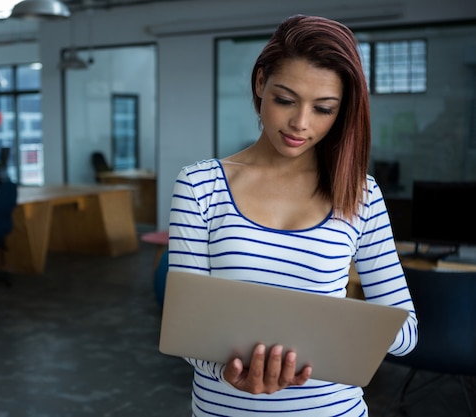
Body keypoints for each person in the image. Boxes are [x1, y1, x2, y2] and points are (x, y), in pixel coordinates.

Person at [167, 14, 418, 416]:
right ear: (260, 83)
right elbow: (185, 329)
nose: (301, 123)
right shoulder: (200, 186)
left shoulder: (361, 193)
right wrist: (227, 372)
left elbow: (406, 333)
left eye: (324, 109)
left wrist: (323, 328)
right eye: (285, 100)